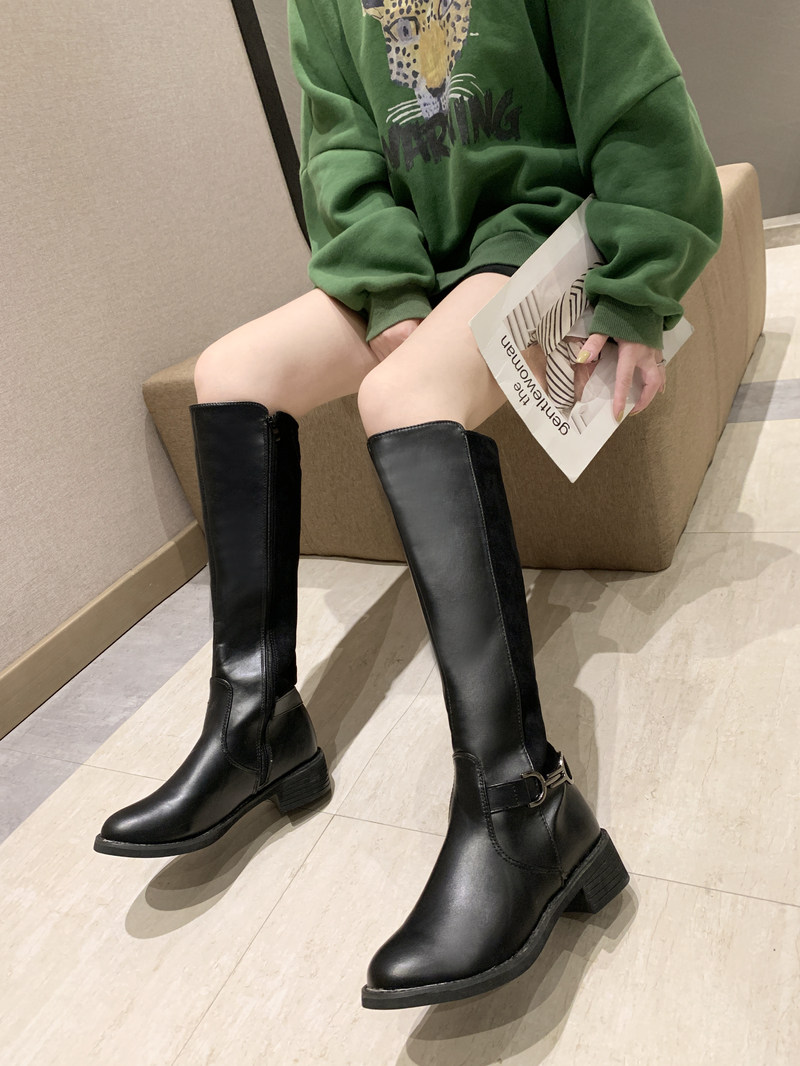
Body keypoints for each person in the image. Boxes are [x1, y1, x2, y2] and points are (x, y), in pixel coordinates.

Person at [94, 0, 723, 1010]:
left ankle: (523, 802)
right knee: (229, 374)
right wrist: (390, 292)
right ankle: (257, 724)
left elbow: (637, 103)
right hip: (417, 259)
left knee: (404, 398)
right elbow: (340, 152)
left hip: (539, 237)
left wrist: (640, 284)